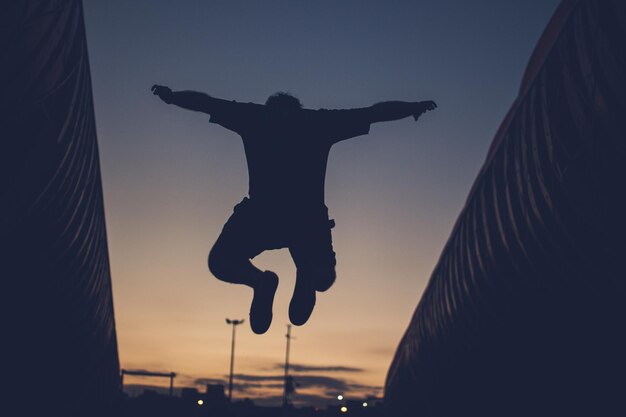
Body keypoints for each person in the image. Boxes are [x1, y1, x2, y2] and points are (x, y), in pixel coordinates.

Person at [151, 85, 436, 334]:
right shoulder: (313, 122)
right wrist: (410, 108)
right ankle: (272, 281)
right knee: (227, 264)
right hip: (299, 217)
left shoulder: (261, 119)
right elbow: (373, 112)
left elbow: (206, 103)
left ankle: (290, 277)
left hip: (269, 215)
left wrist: (174, 97)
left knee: (228, 263)